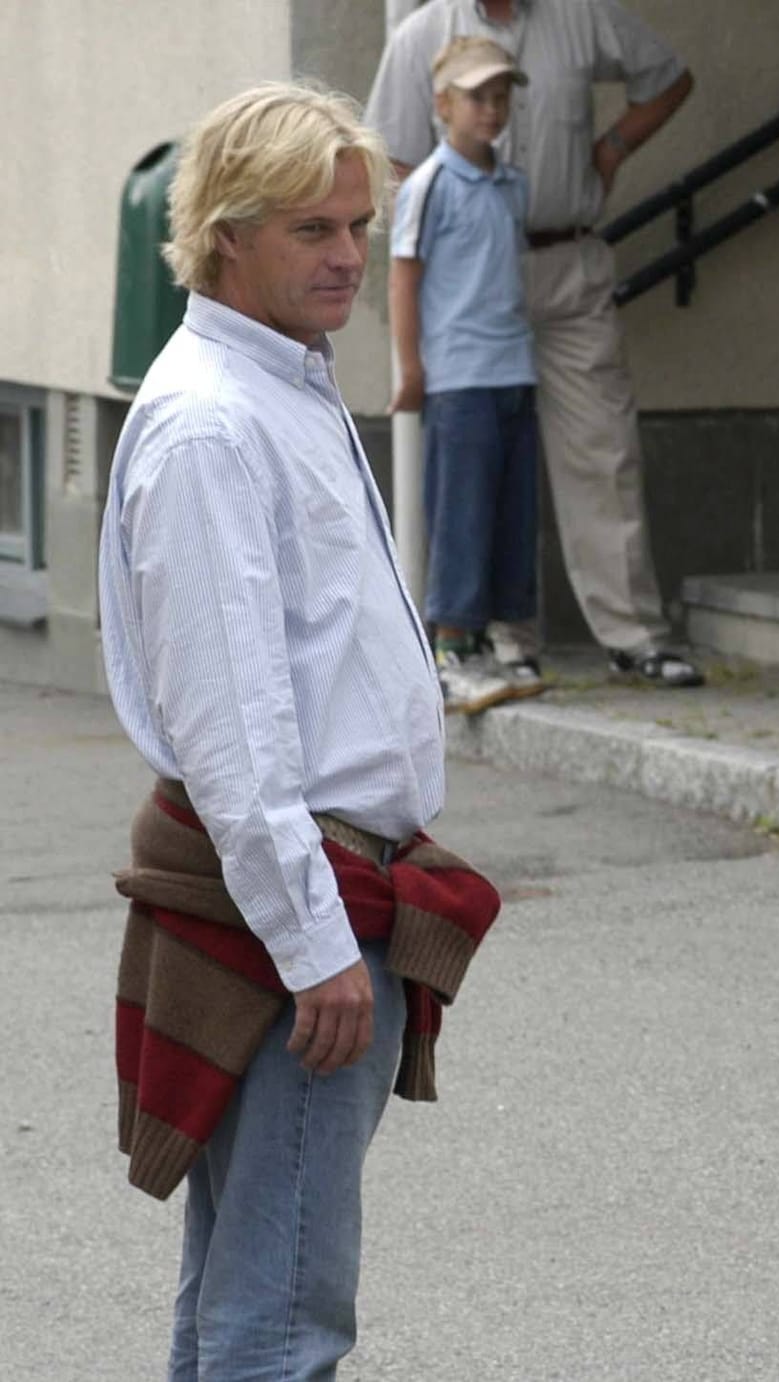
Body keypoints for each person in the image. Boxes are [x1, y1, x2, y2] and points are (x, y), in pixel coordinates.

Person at [96, 82, 500, 1377]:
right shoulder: (217, 421)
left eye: (355, 225)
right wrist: (315, 943)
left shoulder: (274, 383)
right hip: (293, 907)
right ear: (226, 232)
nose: (347, 257)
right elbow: (233, 731)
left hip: (307, 890)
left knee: (241, 1287)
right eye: (313, 232)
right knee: (278, 1314)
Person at [367, 0, 702, 687]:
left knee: (602, 450)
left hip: (565, 261)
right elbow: (386, 158)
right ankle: (503, 640)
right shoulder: (422, 35)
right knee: (486, 470)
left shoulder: (580, 15)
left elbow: (669, 76)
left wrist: (610, 149)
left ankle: (633, 637)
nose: (490, 108)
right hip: (472, 289)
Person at [390, 35, 545, 713]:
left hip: (515, 368)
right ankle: (452, 649)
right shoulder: (428, 185)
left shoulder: (513, 184)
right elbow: (404, 276)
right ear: (443, 103)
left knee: (512, 513)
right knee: (462, 514)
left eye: (502, 96)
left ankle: (495, 640)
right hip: (459, 378)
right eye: (478, 96)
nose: (492, 109)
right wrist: (412, 366)